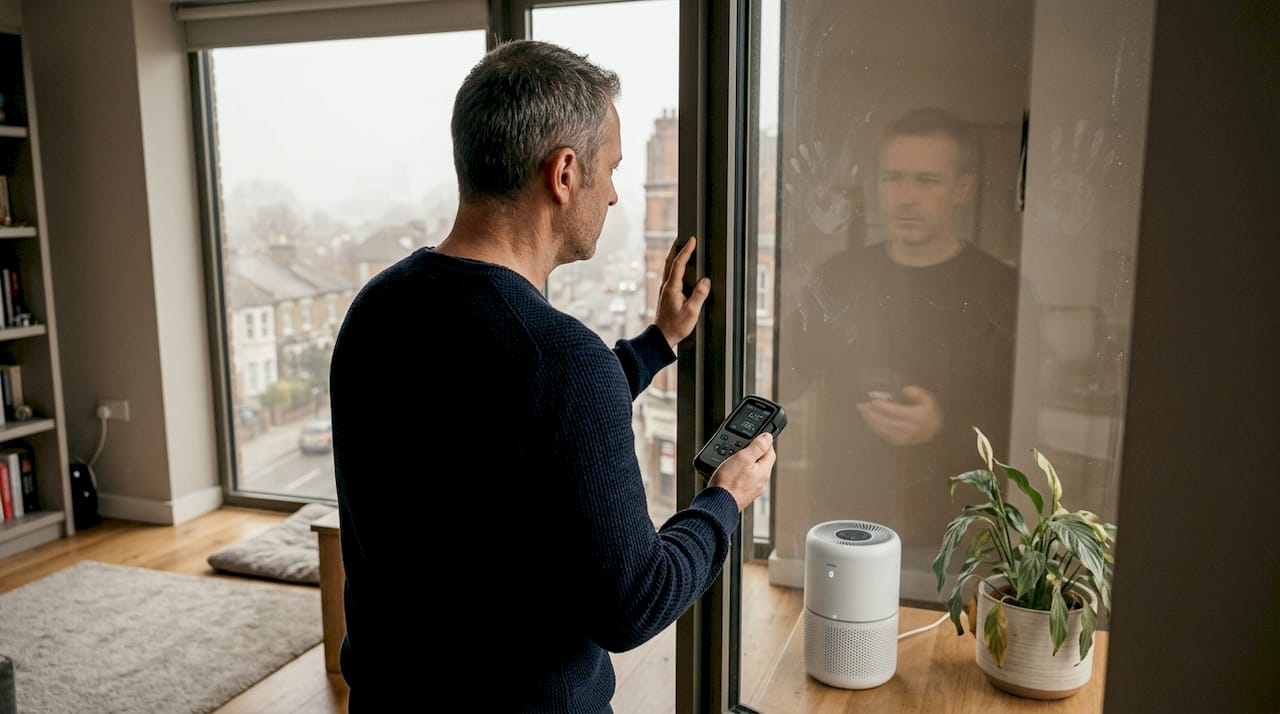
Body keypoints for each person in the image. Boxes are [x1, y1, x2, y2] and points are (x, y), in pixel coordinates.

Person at [327, 39, 777, 713]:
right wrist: (725, 499)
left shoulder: (377, 309)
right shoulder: (560, 360)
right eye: (612, 169)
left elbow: (517, 429)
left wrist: (656, 344)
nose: (617, 193)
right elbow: (635, 602)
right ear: (564, 173)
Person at [778, 107, 1021, 592]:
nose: (906, 197)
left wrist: (943, 427)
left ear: (963, 188)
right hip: (839, 519)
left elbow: (1024, 428)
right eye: (893, 178)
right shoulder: (837, 276)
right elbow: (790, 380)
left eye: (927, 180)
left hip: (951, 534)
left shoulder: (1002, 291)